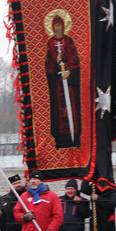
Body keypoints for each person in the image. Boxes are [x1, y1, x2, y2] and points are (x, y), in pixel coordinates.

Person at [44, 13, 82, 148]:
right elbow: (48, 64)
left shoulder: (69, 41)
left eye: (59, 25)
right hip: (58, 85)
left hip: (70, 85)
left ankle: (75, 139)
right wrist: (56, 62)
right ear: (53, 27)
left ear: (63, 26)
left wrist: (70, 72)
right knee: (58, 113)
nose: (58, 28)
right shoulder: (50, 43)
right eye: (55, 25)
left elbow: (75, 59)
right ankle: (60, 140)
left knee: (73, 109)